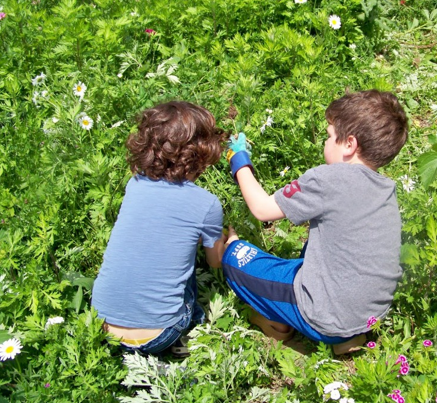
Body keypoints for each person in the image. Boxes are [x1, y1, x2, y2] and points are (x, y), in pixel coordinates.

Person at [222, 89, 408, 354]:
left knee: (234, 257)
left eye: (329, 135)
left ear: (349, 144)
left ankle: (280, 324)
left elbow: (262, 209)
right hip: (370, 317)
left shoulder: (328, 180)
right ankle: (348, 339)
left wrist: (239, 159)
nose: (325, 141)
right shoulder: (386, 189)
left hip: (324, 317)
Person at [92, 101, 231, 356]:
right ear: (203, 152)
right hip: (159, 334)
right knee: (188, 272)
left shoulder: (135, 185)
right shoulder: (207, 204)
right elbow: (215, 262)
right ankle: (190, 334)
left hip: (102, 323)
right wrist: (229, 240)